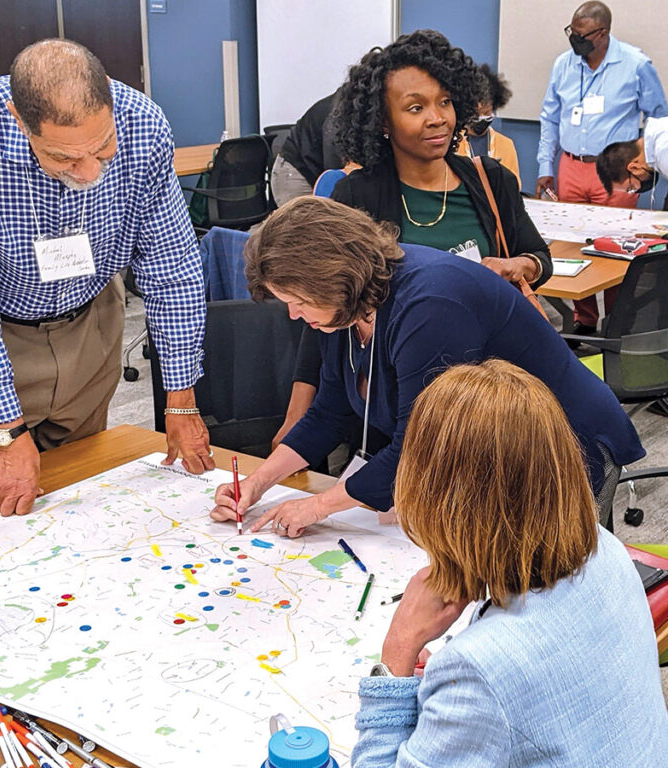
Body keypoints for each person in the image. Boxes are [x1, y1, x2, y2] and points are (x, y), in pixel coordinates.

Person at [210, 196, 643, 536]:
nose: (293, 315)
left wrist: (318, 505)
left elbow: (421, 445)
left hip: (558, 450)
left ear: (333, 276)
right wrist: (259, 482)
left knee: (547, 589)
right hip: (486, 455)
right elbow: (330, 412)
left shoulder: (430, 304)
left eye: (298, 302)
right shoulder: (346, 307)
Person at [0, 40, 211, 518]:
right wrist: (8, 434)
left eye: (102, 149)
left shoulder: (144, 123)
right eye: (64, 159)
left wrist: (180, 401)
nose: (90, 172)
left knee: (85, 491)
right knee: (8, 508)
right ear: (18, 118)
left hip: (91, 326)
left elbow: (171, 269)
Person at [349, 360, 668, 767]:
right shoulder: (604, 548)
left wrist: (396, 654)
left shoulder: (479, 670)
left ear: (431, 494)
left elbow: (496, 673)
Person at [274, 31, 551, 452]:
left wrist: (520, 266)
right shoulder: (357, 196)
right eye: (416, 107)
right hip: (397, 401)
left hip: (489, 398)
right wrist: (301, 405)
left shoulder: (490, 180)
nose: (437, 118)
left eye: (445, 102)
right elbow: (328, 310)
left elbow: (541, 259)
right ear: (382, 121)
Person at [536, 1, 667, 339]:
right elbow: (549, 116)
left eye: (581, 35)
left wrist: (642, 164)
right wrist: (543, 165)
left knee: (619, 248)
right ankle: (583, 320)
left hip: (614, 170)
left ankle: (619, 322)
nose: (575, 40)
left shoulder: (635, 64)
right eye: (572, 33)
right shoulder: (563, 65)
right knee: (569, 248)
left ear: (602, 33)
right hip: (571, 164)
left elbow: (658, 115)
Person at [270, 89, 345, 205]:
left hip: (318, 170)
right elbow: (334, 168)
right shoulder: (340, 111)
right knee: (304, 222)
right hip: (297, 173)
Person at [456, 64, 520, 187]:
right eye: (476, 113)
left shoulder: (505, 145)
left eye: (486, 113)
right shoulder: (451, 144)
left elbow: (514, 187)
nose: (482, 118)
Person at [596, 115, 668, 199]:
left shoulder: (663, 153)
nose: (635, 190)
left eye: (632, 188)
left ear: (634, 167)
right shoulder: (657, 130)